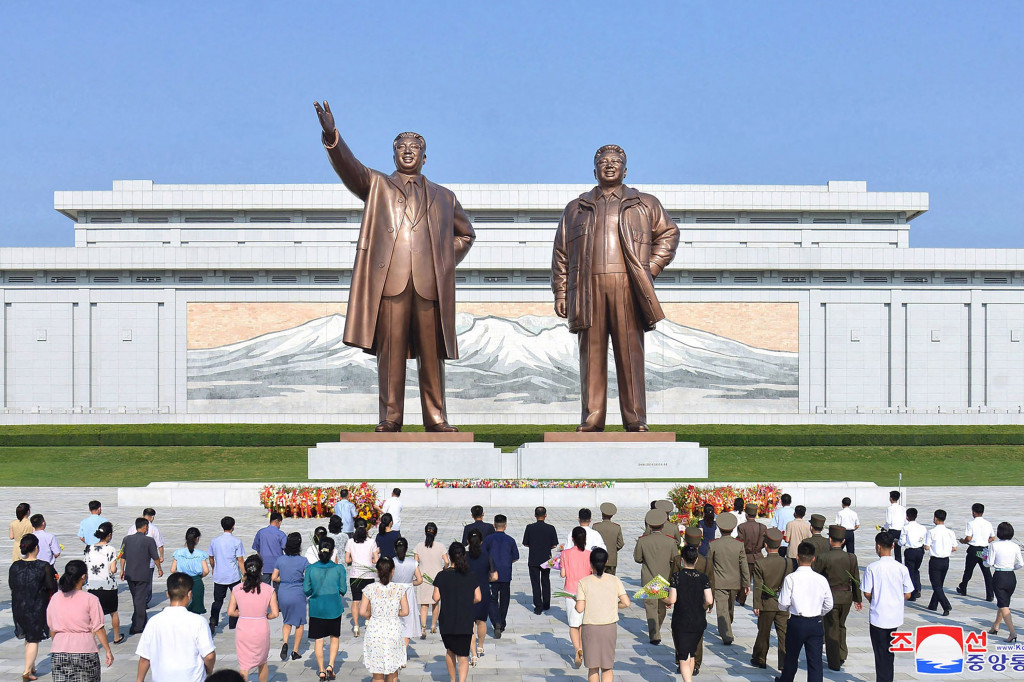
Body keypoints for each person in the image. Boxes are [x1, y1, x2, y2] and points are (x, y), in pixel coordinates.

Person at [314, 102, 475, 433]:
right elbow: (350, 168)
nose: (407, 151)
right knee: (391, 354)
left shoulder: (445, 197)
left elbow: (466, 234)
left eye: (414, 147)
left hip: (429, 285)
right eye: (400, 147)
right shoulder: (378, 186)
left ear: (425, 157)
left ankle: (436, 418)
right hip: (391, 282)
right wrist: (332, 136)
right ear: (393, 155)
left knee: (432, 356)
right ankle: (390, 419)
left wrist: (443, 260)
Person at [551, 143, 678, 433]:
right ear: (594, 170)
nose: (609, 165)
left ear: (625, 169)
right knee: (591, 356)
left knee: (630, 354)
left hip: (626, 286)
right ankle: (592, 418)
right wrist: (561, 292)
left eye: (615, 161)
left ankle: (635, 418)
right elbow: (561, 253)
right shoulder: (576, 208)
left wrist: (651, 269)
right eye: (603, 161)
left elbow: (669, 234)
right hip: (587, 289)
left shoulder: (644, 203)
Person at [135, 572, 216, 682]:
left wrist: (139, 680)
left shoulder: (154, 622)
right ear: (189, 594)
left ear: (167, 594)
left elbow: (145, 657)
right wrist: (208, 670)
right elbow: (209, 656)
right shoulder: (198, 621)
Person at [46, 559, 114, 682]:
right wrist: (108, 650)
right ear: (83, 577)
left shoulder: (55, 598)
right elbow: (98, 627)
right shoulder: (91, 599)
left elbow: (51, 627)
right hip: (85, 650)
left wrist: (58, 642)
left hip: (59, 650)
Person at [777, 541, 833, 682]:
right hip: (815, 622)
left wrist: (788, 608)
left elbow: (783, 603)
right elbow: (829, 604)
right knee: (815, 661)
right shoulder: (821, 579)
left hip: (797, 621)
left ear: (797, 557)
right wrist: (818, 612)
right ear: (813, 558)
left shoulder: (791, 578)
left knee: (791, 657)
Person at [862, 531, 914, 682]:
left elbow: (866, 592)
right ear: (892, 546)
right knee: (889, 652)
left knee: (880, 653)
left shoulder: (872, 567)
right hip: (895, 617)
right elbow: (909, 593)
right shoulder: (901, 568)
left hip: (878, 616)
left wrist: (876, 600)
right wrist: (897, 600)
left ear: (878, 546)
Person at [575, 548, 630, 682]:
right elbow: (626, 603)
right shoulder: (614, 580)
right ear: (606, 562)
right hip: (609, 627)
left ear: (590, 563)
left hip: (590, 627)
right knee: (607, 666)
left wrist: (576, 602)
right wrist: (614, 605)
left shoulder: (584, 582)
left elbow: (580, 608)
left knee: (593, 667)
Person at [814, 526, 863, 672]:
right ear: (843, 541)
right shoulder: (851, 557)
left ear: (830, 540)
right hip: (846, 596)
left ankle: (834, 660)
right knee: (841, 625)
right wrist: (858, 598)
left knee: (831, 628)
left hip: (831, 597)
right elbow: (855, 580)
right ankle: (842, 653)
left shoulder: (824, 557)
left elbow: (816, 577)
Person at [10, 534, 57, 681]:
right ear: (36, 548)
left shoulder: (15, 566)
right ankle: (26, 671)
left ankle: (31, 665)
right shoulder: (43, 566)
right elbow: (51, 586)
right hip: (36, 606)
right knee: (33, 639)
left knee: (29, 636)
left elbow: (12, 585)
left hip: (19, 605)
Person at [433, 542, 482, 680]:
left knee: (450, 651)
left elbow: (435, 597)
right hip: (465, 619)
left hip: (447, 619)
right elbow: (478, 597)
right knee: (463, 655)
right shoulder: (471, 575)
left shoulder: (442, 575)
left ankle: (452, 680)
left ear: (450, 556)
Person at [665, 544, 712, 682]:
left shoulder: (677, 577)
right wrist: (701, 606)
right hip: (698, 620)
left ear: (682, 559)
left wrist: (662, 597)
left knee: (683, 656)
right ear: (696, 560)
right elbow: (709, 600)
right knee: (691, 654)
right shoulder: (703, 578)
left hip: (682, 620)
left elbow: (672, 599)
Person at [227, 555, 279, 682]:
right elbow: (275, 613)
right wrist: (265, 616)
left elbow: (230, 611)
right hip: (260, 627)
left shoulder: (237, 589)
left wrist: (244, 613)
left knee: (244, 666)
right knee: (262, 662)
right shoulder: (269, 590)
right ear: (261, 570)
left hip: (244, 628)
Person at [305, 537, 348, 679]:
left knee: (319, 640)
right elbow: (343, 589)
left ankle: (322, 670)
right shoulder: (339, 568)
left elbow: (306, 590)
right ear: (332, 551)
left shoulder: (310, 568)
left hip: (317, 608)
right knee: (334, 637)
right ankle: (330, 665)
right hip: (334, 607)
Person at [633, 509, 678, 645]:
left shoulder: (643, 541)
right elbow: (674, 560)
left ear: (649, 525)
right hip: (664, 577)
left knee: (651, 607)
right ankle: (655, 632)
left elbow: (637, 558)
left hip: (648, 576)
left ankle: (654, 631)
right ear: (663, 524)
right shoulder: (670, 542)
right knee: (661, 607)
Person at [362, 556, 410, 682]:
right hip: (393, 629)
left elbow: (362, 611)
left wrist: (372, 614)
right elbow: (405, 611)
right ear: (392, 571)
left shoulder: (369, 589)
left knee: (377, 672)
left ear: (377, 571)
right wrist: (394, 612)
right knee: (393, 671)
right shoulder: (399, 589)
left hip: (375, 630)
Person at [751, 528, 792, 671]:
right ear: (779, 545)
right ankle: (783, 662)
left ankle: (760, 659)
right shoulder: (788, 563)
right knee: (783, 634)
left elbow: (758, 586)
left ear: (766, 545)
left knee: (764, 632)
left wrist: (756, 604)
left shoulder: (760, 563)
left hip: (766, 602)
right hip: (782, 603)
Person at [706, 513, 747, 645]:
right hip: (734, 581)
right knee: (726, 608)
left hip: (719, 581)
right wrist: (746, 583)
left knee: (726, 608)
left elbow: (709, 564)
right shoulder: (739, 545)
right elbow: (743, 565)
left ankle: (725, 626)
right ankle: (727, 634)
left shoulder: (714, 544)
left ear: (719, 527)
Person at [119, 517, 162, 635]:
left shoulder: (126, 539)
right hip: (143, 574)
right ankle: (137, 626)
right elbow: (155, 557)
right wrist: (159, 568)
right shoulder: (149, 541)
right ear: (144, 527)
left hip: (129, 574)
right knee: (140, 599)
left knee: (136, 598)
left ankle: (139, 620)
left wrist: (122, 570)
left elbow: (122, 556)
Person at [271, 532, 308, 661]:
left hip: (283, 592)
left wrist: (285, 578)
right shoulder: (303, 561)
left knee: (286, 621)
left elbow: (274, 577)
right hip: (298, 592)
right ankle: (295, 650)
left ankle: (285, 642)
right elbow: (308, 577)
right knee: (299, 623)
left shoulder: (280, 560)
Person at [681, 527, 713, 675]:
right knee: (698, 634)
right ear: (700, 543)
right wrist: (711, 602)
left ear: (685, 542)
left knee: (680, 632)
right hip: (700, 602)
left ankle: (680, 659)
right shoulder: (706, 561)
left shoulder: (678, 559)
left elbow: (671, 578)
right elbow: (710, 581)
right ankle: (696, 662)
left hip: (682, 600)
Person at [482, 513, 519, 638]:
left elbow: (483, 555)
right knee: (504, 599)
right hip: (505, 573)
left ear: (494, 525)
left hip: (492, 573)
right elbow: (515, 557)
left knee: (492, 599)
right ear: (506, 526)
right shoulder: (510, 540)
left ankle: (496, 621)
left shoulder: (488, 539)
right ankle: (502, 622)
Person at [84, 522, 122, 644]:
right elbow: (113, 569)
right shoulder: (110, 549)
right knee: (113, 612)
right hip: (108, 586)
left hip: (92, 586)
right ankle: (116, 636)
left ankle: (91, 639)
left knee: (94, 616)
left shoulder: (89, 548)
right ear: (109, 535)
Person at [985, 521, 1023, 642]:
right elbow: (1021, 564)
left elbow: (989, 563)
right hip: (1011, 576)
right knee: (1004, 603)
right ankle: (995, 626)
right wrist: (1012, 567)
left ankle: (1012, 633)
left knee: (1003, 605)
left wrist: (983, 560)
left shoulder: (995, 545)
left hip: (999, 575)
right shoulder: (1015, 546)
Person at [561, 526, 592, 668]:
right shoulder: (589, 554)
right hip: (585, 592)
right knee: (583, 623)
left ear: (572, 539)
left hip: (570, 591)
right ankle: (582, 648)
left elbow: (563, 574)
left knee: (573, 623)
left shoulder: (565, 553)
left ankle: (577, 649)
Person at [209, 515, 245, 633]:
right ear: (233, 526)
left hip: (219, 575)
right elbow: (240, 560)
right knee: (237, 599)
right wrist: (244, 574)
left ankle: (213, 619)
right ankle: (233, 623)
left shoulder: (215, 541)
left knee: (218, 600)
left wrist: (214, 567)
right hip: (233, 575)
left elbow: (211, 557)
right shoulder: (236, 541)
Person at [523, 506, 560, 614]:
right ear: (545, 515)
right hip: (546, 558)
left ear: (535, 515)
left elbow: (525, 543)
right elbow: (554, 545)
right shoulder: (551, 528)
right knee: (545, 580)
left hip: (534, 557)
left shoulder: (529, 527)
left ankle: (538, 606)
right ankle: (546, 604)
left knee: (535, 582)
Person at [345, 519, 379, 636]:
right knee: (368, 600)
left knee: (355, 601)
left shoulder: (350, 542)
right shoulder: (371, 542)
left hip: (355, 574)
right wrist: (370, 560)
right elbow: (376, 560)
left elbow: (347, 560)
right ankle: (368, 620)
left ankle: (355, 626)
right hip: (368, 574)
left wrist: (354, 559)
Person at [414, 522, 448, 636]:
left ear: (425, 532)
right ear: (436, 533)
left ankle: (423, 627)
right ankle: (433, 626)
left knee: (424, 605)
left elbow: (415, 562)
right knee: (435, 603)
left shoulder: (419, 546)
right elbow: (447, 561)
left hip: (423, 577)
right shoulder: (440, 546)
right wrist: (444, 569)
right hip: (437, 577)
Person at [465, 529, 494, 662]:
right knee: (481, 621)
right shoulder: (487, 555)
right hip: (483, 590)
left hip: (468, 591)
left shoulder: (464, 556)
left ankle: (473, 654)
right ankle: (480, 646)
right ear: (481, 542)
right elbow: (494, 576)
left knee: (470, 623)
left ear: (467, 541)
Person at [957, 502, 995, 601]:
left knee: (968, 571)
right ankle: (990, 595)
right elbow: (992, 537)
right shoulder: (988, 523)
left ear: (974, 512)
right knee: (986, 572)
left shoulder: (971, 523)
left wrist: (963, 541)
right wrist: (985, 541)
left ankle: (963, 588)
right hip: (983, 550)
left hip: (973, 550)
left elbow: (968, 538)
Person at [171, 527, 211, 615]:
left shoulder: (178, 553)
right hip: (196, 581)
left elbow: (173, 570)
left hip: (182, 581)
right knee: (196, 609)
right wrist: (200, 576)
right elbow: (206, 571)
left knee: (182, 607)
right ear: (197, 539)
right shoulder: (200, 554)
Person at [392, 537, 423, 648]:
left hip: (394, 592)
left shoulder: (391, 562)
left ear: (395, 549)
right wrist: (410, 583)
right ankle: (404, 650)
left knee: (395, 620)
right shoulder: (413, 563)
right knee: (408, 621)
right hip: (408, 593)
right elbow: (420, 580)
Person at [925, 508, 957, 616]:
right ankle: (933, 605)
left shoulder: (931, 532)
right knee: (939, 584)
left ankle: (946, 605)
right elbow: (955, 548)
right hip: (945, 560)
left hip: (935, 560)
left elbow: (927, 547)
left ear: (935, 518)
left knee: (936, 585)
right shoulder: (950, 532)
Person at [736, 502, 767, 606]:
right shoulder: (762, 527)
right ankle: (758, 602)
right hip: (758, 556)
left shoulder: (742, 527)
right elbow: (764, 543)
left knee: (745, 579)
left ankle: (741, 599)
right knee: (759, 582)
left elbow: (740, 541)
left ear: (746, 514)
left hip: (746, 556)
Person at [899, 508, 927, 601]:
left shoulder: (905, 528)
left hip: (910, 551)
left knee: (910, 571)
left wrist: (898, 542)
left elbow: (902, 542)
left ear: (907, 517)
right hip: (920, 550)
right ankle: (918, 588)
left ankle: (912, 593)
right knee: (916, 569)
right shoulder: (922, 527)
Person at [252, 512, 287, 584]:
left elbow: (257, 549)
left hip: (264, 566)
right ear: (279, 522)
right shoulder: (281, 534)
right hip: (278, 567)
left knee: (265, 590)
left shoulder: (261, 532)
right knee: (277, 590)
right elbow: (286, 549)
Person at [592, 502, 625, 575]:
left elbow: (593, 542)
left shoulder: (596, 526)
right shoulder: (616, 527)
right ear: (612, 515)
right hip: (611, 559)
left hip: (598, 558)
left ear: (602, 514)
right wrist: (613, 549)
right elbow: (620, 543)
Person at [143, 508, 165, 607]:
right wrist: (161, 556)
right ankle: (145, 601)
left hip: (134, 561)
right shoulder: (154, 529)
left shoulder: (132, 527)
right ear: (152, 517)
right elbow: (159, 545)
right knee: (147, 582)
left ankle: (139, 599)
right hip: (149, 561)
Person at [883, 491, 906, 563]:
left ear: (890, 498)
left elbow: (888, 521)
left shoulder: (889, 508)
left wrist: (884, 528)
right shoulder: (902, 508)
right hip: (900, 530)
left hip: (892, 531)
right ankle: (898, 563)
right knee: (898, 550)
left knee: (887, 547)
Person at [772, 494, 795, 559]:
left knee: (780, 561)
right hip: (791, 540)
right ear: (790, 502)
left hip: (780, 541)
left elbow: (774, 527)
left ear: (781, 502)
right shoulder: (794, 512)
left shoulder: (778, 512)